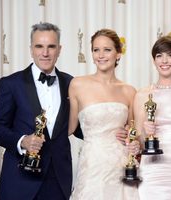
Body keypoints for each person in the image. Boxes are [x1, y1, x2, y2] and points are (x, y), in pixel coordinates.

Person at [0, 22, 80, 200]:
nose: (45, 53)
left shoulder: (71, 83)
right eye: (39, 46)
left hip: (58, 180)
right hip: (20, 180)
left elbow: (78, 126)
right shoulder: (11, 83)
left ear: (59, 49)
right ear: (31, 49)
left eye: (51, 46)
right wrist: (22, 141)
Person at [68, 28, 140, 200]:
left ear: (118, 53)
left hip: (121, 164)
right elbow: (68, 128)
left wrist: (134, 141)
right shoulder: (78, 84)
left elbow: (133, 132)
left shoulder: (129, 91)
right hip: (93, 164)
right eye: (96, 50)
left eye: (107, 49)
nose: (100, 55)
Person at [134, 35, 171, 199]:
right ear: (154, 60)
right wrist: (144, 131)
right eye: (159, 55)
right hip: (154, 170)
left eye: (170, 55)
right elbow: (139, 141)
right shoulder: (142, 95)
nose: (164, 60)